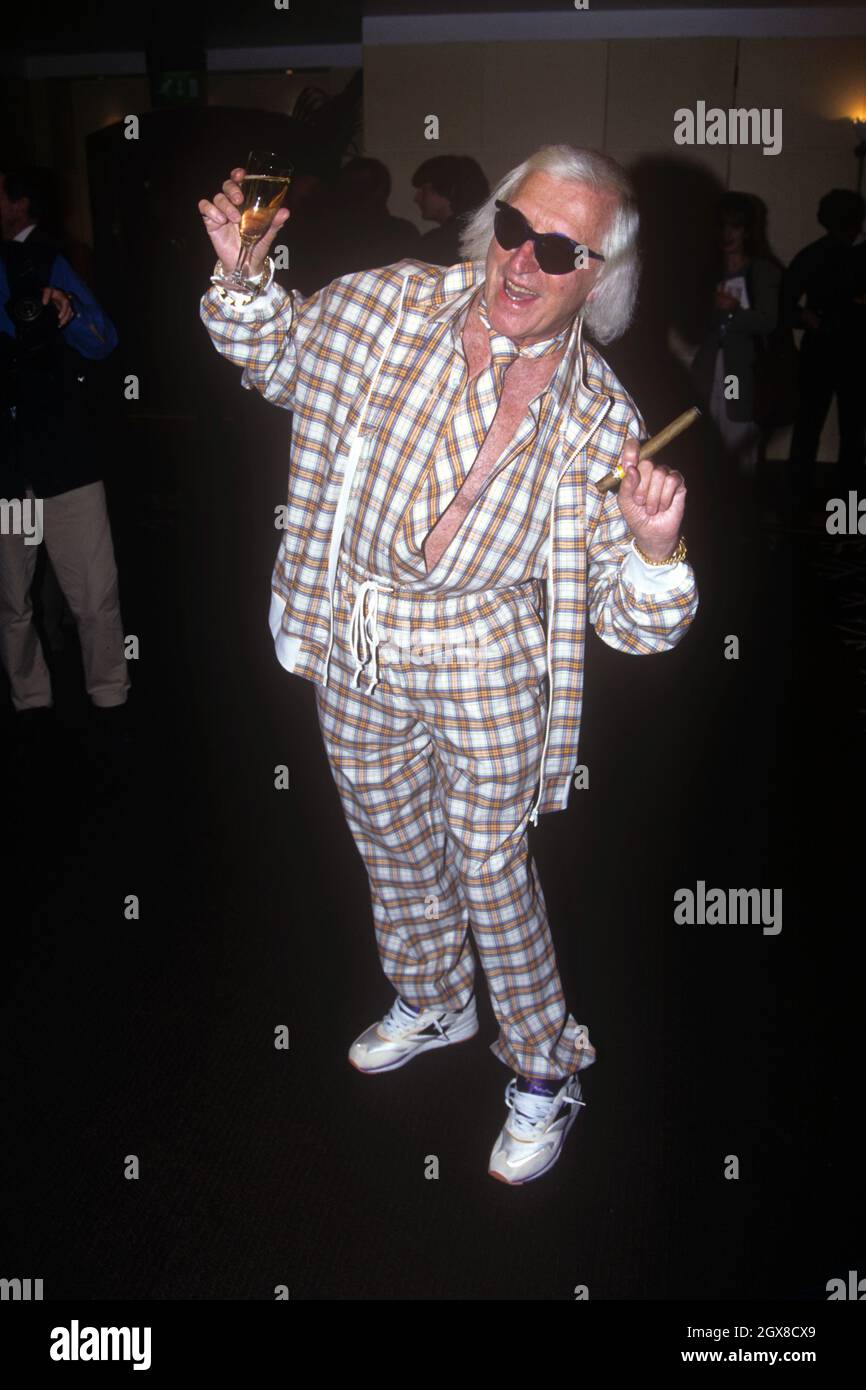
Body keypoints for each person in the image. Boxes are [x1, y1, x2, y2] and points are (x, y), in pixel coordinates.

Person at [197, 144, 698, 1186]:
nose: (522, 263)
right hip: (361, 629)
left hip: (486, 653)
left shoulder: (603, 419)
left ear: (597, 276)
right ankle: (431, 995)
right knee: (384, 830)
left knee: (486, 865)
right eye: (512, 230)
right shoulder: (386, 304)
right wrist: (243, 274)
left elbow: (631, 624)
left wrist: (655, 555)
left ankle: (540, 1067)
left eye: (558, 250)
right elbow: (276, 358)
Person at [0, 167, 129, 756]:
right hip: (13, 475)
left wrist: (67, 310)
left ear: (20, 202)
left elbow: (104, 342)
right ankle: (30, 700)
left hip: (66, 463)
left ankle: (109, 699)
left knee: (94, 593)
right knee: (14, 596)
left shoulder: (55, 260)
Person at [690, 192, 782, 503]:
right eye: (722, 227)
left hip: (740, 372)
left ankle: (739, 510)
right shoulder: (705, 271)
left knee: (738, 435)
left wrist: (732, 311)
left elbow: (769, 322)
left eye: (735, 227)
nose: (727, 235)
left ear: (747, 231)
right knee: (704, 435)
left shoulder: (763, 272)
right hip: (707, 366)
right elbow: (690, 323)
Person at [782, 188, 866, 512]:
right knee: (842, 428)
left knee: (820, 425)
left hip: (835, 351)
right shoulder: (825, 254)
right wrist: (806, 317)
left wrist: (806, 317)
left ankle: (805, 494)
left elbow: (786, 303)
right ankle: (843, 499)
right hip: (843, 351)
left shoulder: (813, 253)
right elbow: (786, 305)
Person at [412, 155, 490, 265]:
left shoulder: (435, 245)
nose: (417, 198)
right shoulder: (487, 234)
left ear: (448, 190)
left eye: (424, 190)